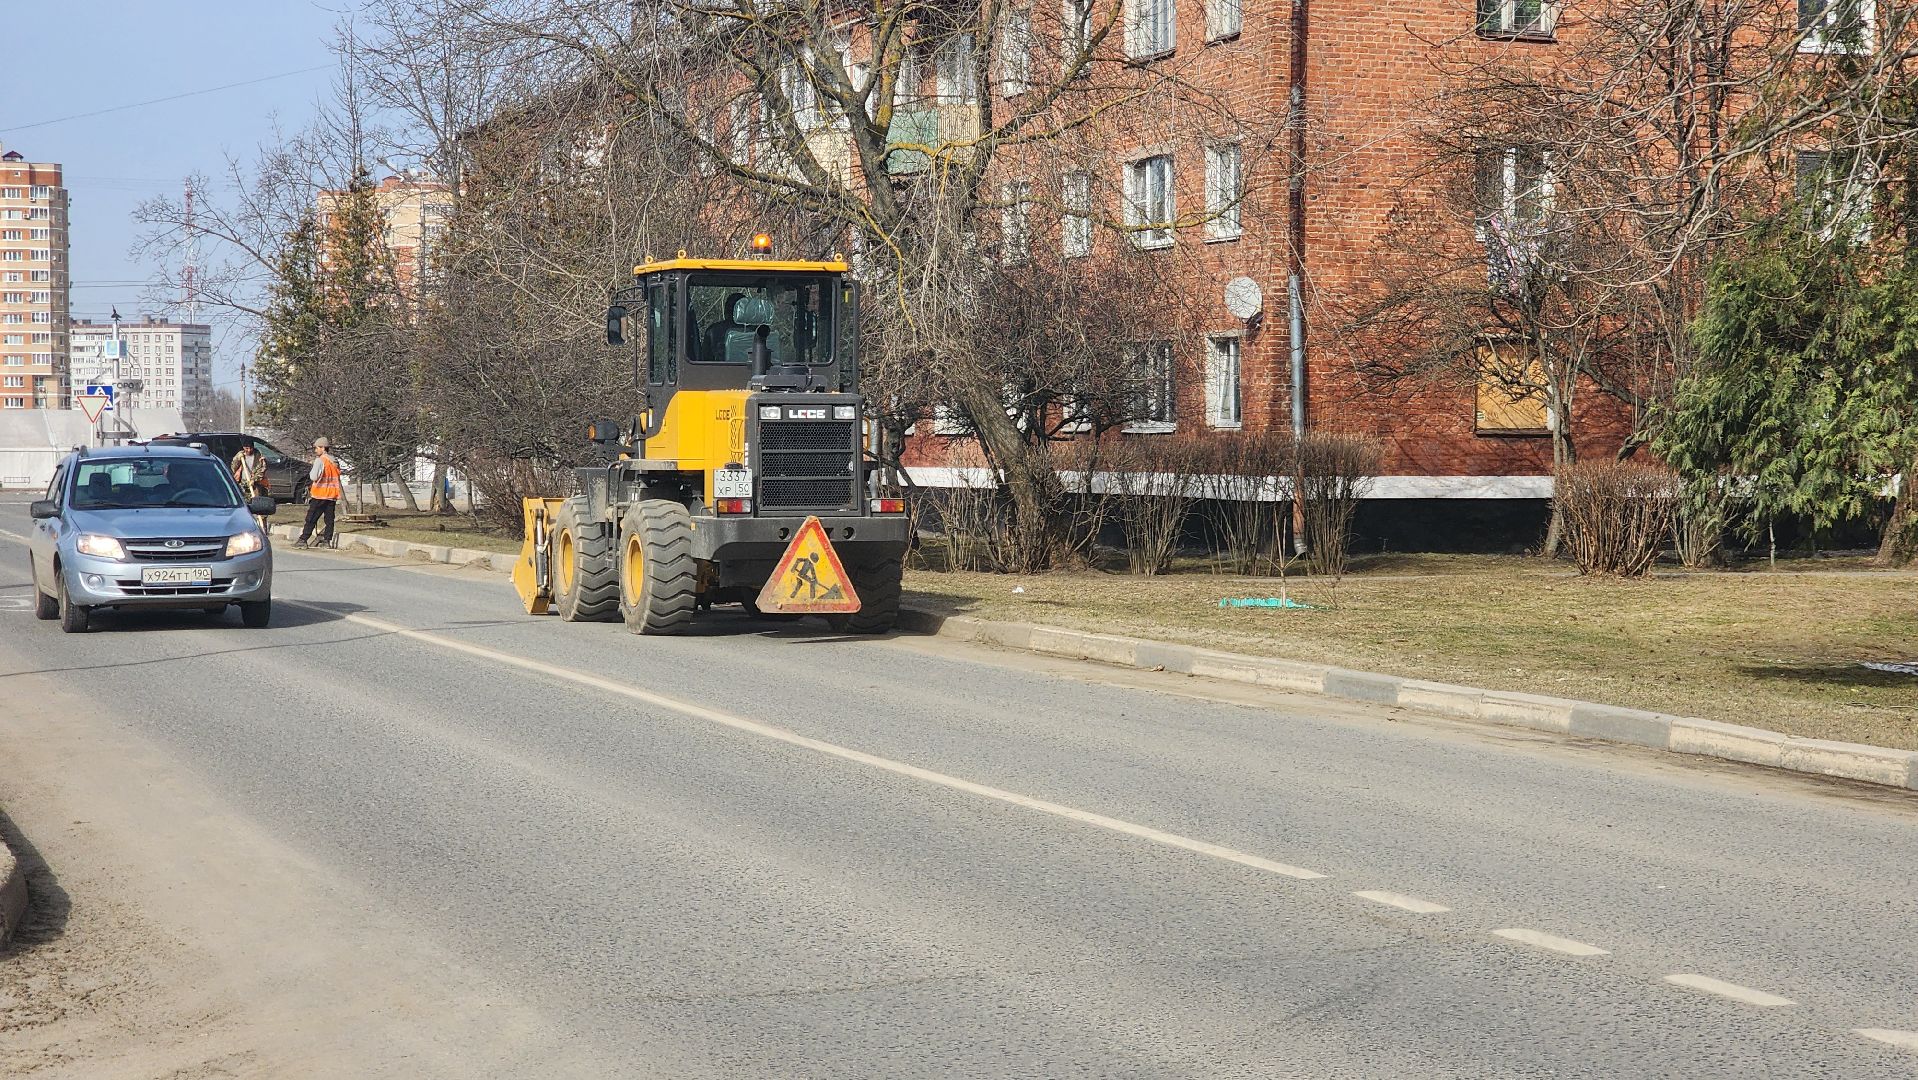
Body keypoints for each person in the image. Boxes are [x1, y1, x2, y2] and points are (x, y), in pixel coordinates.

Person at [296, 437, 343, 548]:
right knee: (329, 519)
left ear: (323, 448)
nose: (315, 450)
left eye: (316, 448)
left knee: (311, 518)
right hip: (332, 495)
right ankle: (327, 540)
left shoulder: (320, 460)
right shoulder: (334, 461)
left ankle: (303, 539)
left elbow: (313, 477)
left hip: (320, 495)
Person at [231, 443, 270, 527]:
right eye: (246, 448)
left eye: (250, 448)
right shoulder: (240, 455)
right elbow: (233, 468)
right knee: (244, 507)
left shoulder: (259, 456)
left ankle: (262, 528)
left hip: (256, 485)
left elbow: (262, 470)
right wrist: (238, 458)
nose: (248, 450)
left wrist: (254, 480)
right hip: (243, 485)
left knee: (259, 507)